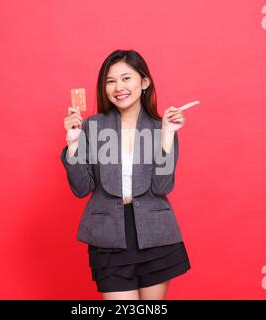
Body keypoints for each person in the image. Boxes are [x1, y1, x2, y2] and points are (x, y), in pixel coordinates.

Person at [61, 49, 192, 300]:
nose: (118, 87)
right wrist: (74, 144)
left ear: (144, 82)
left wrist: (167, 135)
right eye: (110, 81)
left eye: (126, 78)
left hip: (155, 234)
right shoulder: (92, 126)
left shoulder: (160, 126)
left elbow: (163, 186)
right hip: (108, 235)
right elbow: (80, 188)